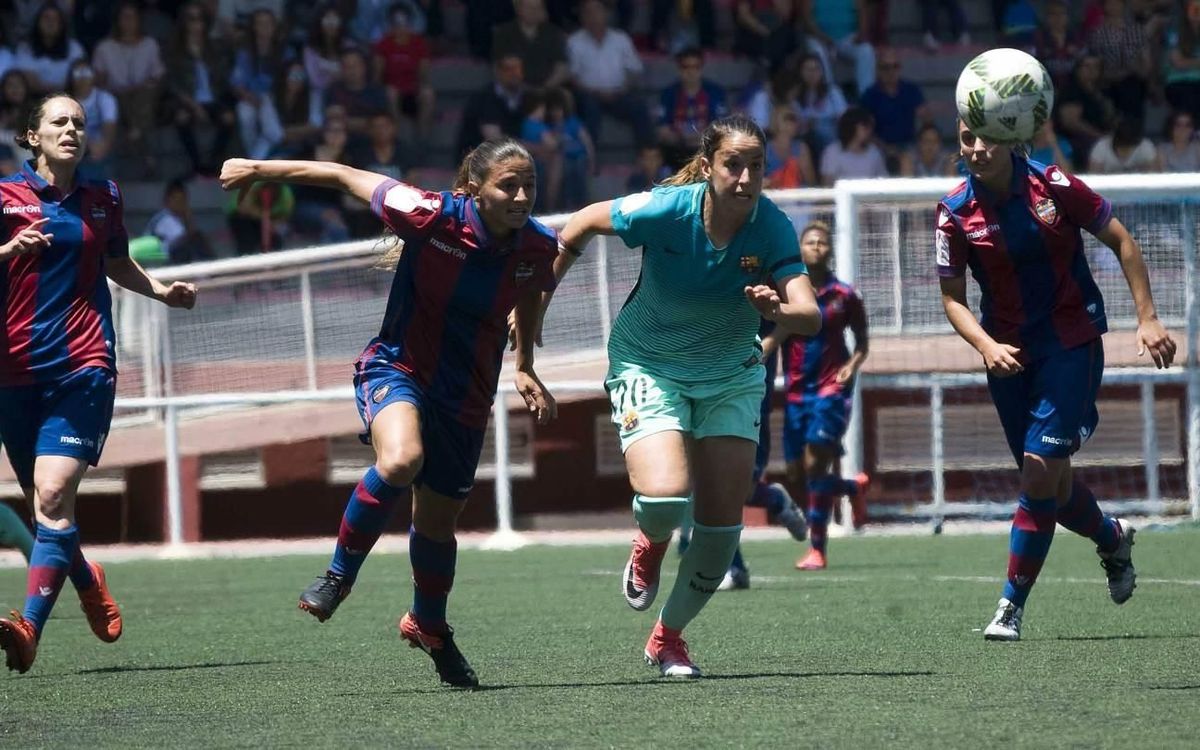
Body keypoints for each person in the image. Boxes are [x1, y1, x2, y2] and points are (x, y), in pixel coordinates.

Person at [218, 138, 559, 689]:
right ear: (474, 189)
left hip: (466, 394)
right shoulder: (429, 214)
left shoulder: (538, 245)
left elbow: (527, 293)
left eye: (530, 186)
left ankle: (429, 625)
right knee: (402, 459)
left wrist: (523, 365)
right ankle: (338, 576)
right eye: (508, 185)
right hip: (397, 368)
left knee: (437, 523)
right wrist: (259, 169)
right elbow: (343, 174)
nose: (522, 196)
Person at [543, 114, 821, 677]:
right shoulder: (666, 210)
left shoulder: (772, 226)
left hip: (732, 375)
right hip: (650, 364)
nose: (745, 178)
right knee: (668, 496)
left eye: (756, 167)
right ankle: (649, 544)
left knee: (721, 534)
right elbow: (578, 224)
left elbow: (809, 315)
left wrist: (777, 311)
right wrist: (531, 313)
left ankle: (668, 638)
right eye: (733, 165)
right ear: (709, 166)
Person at [936, 118, 1177, 642]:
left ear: (1011, 136)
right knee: (1052, 481)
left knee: (1041, 468)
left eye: (986, 138)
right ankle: (1113, 537)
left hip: (1072, 342)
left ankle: (1010, 606)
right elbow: (952, 298)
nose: (975, 148)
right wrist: (986, 345)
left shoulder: (1053, 185)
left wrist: (1148, 316)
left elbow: (1122, 241)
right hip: (1007, 355)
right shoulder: (954, 211)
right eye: (965, 139)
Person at [0, 94, 198, 674]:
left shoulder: (102, 197)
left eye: (79, 123)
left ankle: (28, 629)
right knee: (47, 508)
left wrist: (160, 291)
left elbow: (115, 262)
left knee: (54, 495)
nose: (71, 129)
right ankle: (86, 577)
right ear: (32, 136)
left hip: (83, 364)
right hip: (12, 372)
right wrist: (8, 249)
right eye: (58, 121)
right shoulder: (5, 197)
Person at [764, 221, 869, 571]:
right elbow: (777, 334)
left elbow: (863, 341)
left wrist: (852, 366)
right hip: (795, 393)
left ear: (830, 249)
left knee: (814, 465)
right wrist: (756, 353)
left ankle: (818, 549)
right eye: (810, 242)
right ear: (800, 250)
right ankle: (851, 487)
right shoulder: (790, 296)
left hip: (830, 390)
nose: (816, 247)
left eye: (822, 242)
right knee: (795, 473)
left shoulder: (845, 295)